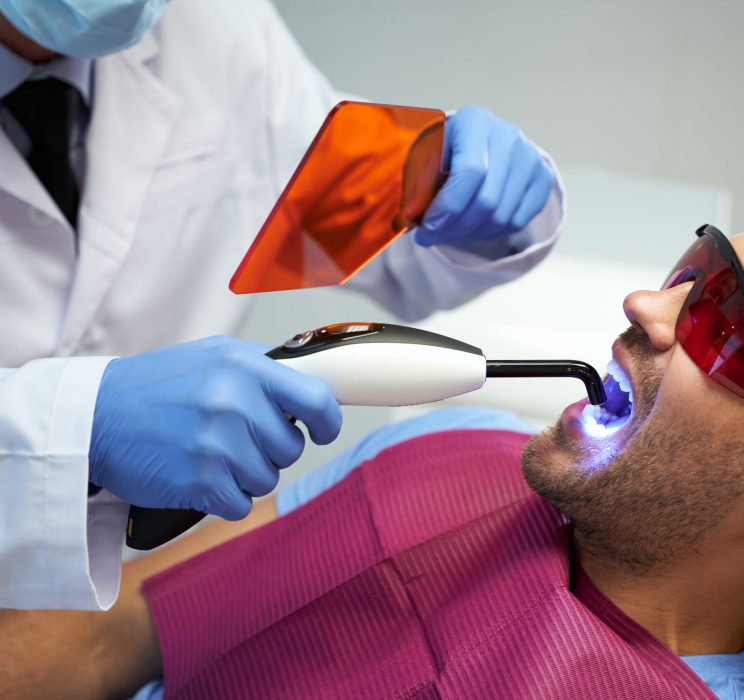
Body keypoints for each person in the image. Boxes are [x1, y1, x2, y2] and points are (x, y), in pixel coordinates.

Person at [0, 166, 744, 700]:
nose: (647, 303)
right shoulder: (454, 443)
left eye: (724, 322)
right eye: (694, 269)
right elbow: (105, 641)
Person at [0, 0, 566, 610]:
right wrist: (74, 430)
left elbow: (348, 220)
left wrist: (455, 188)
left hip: (136, 584)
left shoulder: (214, 27)